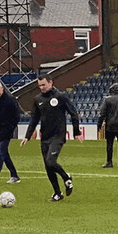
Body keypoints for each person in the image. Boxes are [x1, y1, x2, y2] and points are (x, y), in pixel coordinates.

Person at [21, 74, 83, 202]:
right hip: (45, 136)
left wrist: (76, 132)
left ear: (50, 82)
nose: (42, 87)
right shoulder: (38, 99)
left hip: (58, 136)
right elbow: (34, 119)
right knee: (48, 167)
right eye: (39, 86)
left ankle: (66, 178)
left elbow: (73, 114)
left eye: (44, 85)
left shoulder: (61, 97)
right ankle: (57, 193)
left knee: (51, 161)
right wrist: (27, 136)